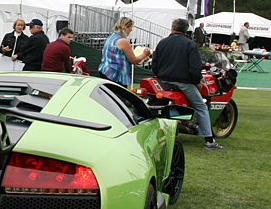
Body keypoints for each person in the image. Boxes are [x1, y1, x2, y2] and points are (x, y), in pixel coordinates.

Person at [152, 17, 224, 150]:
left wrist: (158, 74)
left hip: (162, 82)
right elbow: (194, 67)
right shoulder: (190, 44)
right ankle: (209, 140)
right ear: (186, 30)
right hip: (183, 82)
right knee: (201, 107)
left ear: (173, 28)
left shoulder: (163, 42)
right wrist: (197, 82)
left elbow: (154, 63)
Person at [96, 17, 151, 87]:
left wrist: (142, 58)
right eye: (131, 27)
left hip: (105, 71)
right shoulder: (123, 41)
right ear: (125, 27)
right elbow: (133, 60)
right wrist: (144, 54)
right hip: (114, 75)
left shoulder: (112, 36)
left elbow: (123, 56)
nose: (131, 30)